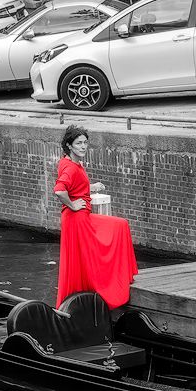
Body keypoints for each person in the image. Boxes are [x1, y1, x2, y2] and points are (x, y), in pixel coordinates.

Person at [54, 125, 138, 309]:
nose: (83, 147)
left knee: (119, 226)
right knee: (115, 231)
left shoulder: (68, 162)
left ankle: (116, 277)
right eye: (78, 143)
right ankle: (112, 282)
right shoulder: (71, 168)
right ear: (69, 145)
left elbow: (73, 187)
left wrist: (90, 187)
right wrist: (73, 204)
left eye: (85, 143)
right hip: (78, 220)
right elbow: (60, 190)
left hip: (77, 219)